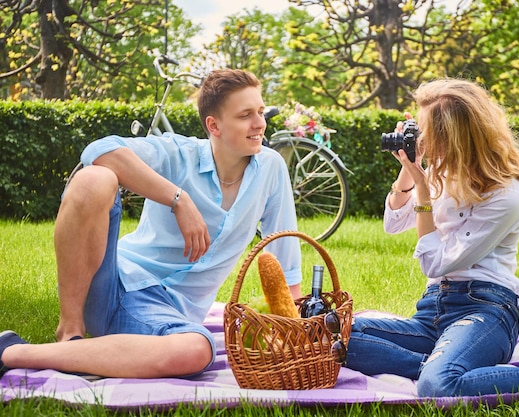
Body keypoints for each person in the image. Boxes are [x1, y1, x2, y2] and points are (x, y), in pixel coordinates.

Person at [0, 69, 302, 379]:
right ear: (214, 125)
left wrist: (296, 332)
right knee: (93, 178)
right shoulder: (178, 154)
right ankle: (70, 332)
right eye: (245, 115)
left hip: (162, 316)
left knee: (197, 350)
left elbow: (284, 257)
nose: (259, 123)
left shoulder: (270, 168)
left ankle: (10, 352)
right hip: (113, 282)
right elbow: (98, 151)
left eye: (261, 112)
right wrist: (178, 199)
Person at [344, 78, 519, 398]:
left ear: (455, 139)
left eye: (428, 133)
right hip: (433, 311)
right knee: (333, 337)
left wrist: (423, 188)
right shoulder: (442, 171)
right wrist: (410, 169)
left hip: (486, 310)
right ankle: (447, 363)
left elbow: (434, 263)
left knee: (438, 386)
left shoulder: (505, 194)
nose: (423, 140)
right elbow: (394, 223)